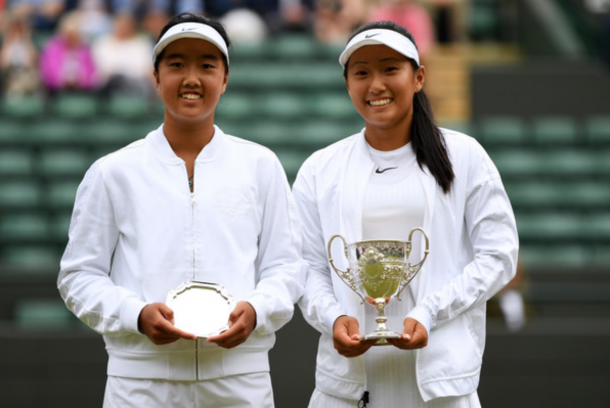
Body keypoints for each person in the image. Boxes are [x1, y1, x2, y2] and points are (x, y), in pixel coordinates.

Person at [57, 12, 303, 408]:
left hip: (240, 379)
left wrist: (257, 310)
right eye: (176, 65)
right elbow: (78, 276)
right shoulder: (113, 171)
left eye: (207, 66)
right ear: (155, 78)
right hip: (139, 382)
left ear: (225, 79)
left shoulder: (261, 165)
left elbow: (288, 267)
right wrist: (134, 315)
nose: (192, 78)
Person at [293, 20, 519, 407]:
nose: (375, 84)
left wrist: (430, 311)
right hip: (345, 389)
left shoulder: (465, 156)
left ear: (418, 77)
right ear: (348, 85)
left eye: (390, 69)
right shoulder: (319, 169)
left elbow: (499, 256)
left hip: (442, 388)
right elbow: (306, 265)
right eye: (361, 73)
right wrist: (332, 318)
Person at [38, 11, 98, 95]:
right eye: (68, 33)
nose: (70, 37)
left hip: (82, 90)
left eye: (73, 34)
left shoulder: (85, 49)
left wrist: (80, 81)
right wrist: (62, 81)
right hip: (56, 91)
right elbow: (47, 74)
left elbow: (92, 74)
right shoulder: (52, 47)